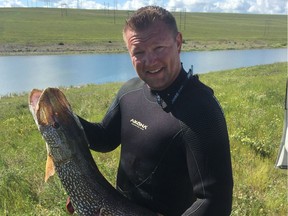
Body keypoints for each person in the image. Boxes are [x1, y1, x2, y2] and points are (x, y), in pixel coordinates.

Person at [73, 5, 233, 216]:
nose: (150, 61)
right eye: (138, 52)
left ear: (178, 43)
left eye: (158, 48)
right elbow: (104, 138)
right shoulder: (129, 92)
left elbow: (215, 201)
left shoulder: (201, 111)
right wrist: (63, 121)